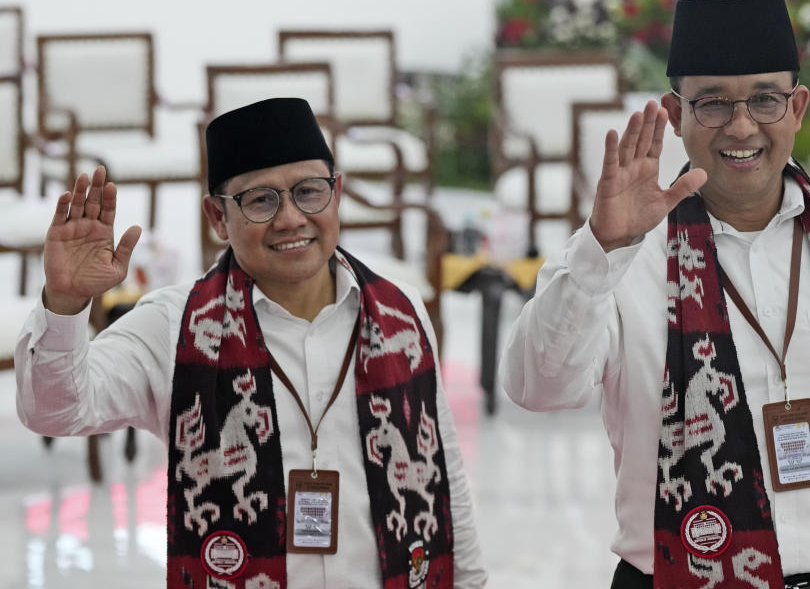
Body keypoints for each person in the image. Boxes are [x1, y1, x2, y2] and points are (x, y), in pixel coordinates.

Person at [499, 0, 810, 589]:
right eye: (713, 103)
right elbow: (538, 388)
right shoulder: (619, 257)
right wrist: (601, 252)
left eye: (765, 99)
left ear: (797, 107)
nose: (741, 127)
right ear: (676, 112)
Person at [15, 97, 487, 589]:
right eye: (260, 200)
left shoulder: (399, 312)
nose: (290, 219)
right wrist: (65, 303)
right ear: (218, 217)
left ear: (337, 193)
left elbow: (442, 474)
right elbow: (55, 411)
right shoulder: (174, 326)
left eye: (308, 191)